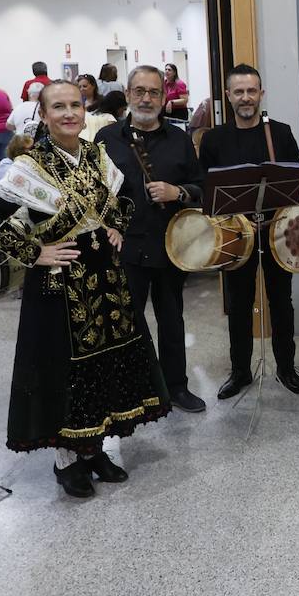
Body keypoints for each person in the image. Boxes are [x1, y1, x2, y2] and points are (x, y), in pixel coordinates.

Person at [0, 79, 170, 498]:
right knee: (67, 372)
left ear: (85, 110)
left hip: (105, 280)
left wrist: (117, 225)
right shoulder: (31, 165)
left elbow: (128, 195)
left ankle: (93, 448)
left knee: (101, 366)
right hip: (59, 287)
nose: (68, 114)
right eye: (57, 107)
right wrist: (34, 251)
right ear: (43, 115)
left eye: (75, 106)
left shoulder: (97, 155)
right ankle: (67, 460)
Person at [96, 65, 207, 413]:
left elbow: (202, 188)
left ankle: (176, 386)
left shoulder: (179, 138)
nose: (146, 98)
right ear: (128, 95)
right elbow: (95, 193)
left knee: (172, 320)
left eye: (154, 92)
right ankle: (136, 391)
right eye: (139, 91)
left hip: (170, 245)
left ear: (164, 97)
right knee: (127, 323)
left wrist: (179, 191)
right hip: (124, 247)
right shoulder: (106, 139)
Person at [198, 64, 299, 398]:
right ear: (229, 96)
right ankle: (241, 372)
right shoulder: (215, 139)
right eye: (239, 91)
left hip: (276, 234)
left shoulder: (281, 132)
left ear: (261, 94)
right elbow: (207, 189)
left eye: (252, 90)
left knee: (281, 302)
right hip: (236, 236)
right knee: (239, 304)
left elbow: (297, 181)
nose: (246, 97)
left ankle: (286, 369)